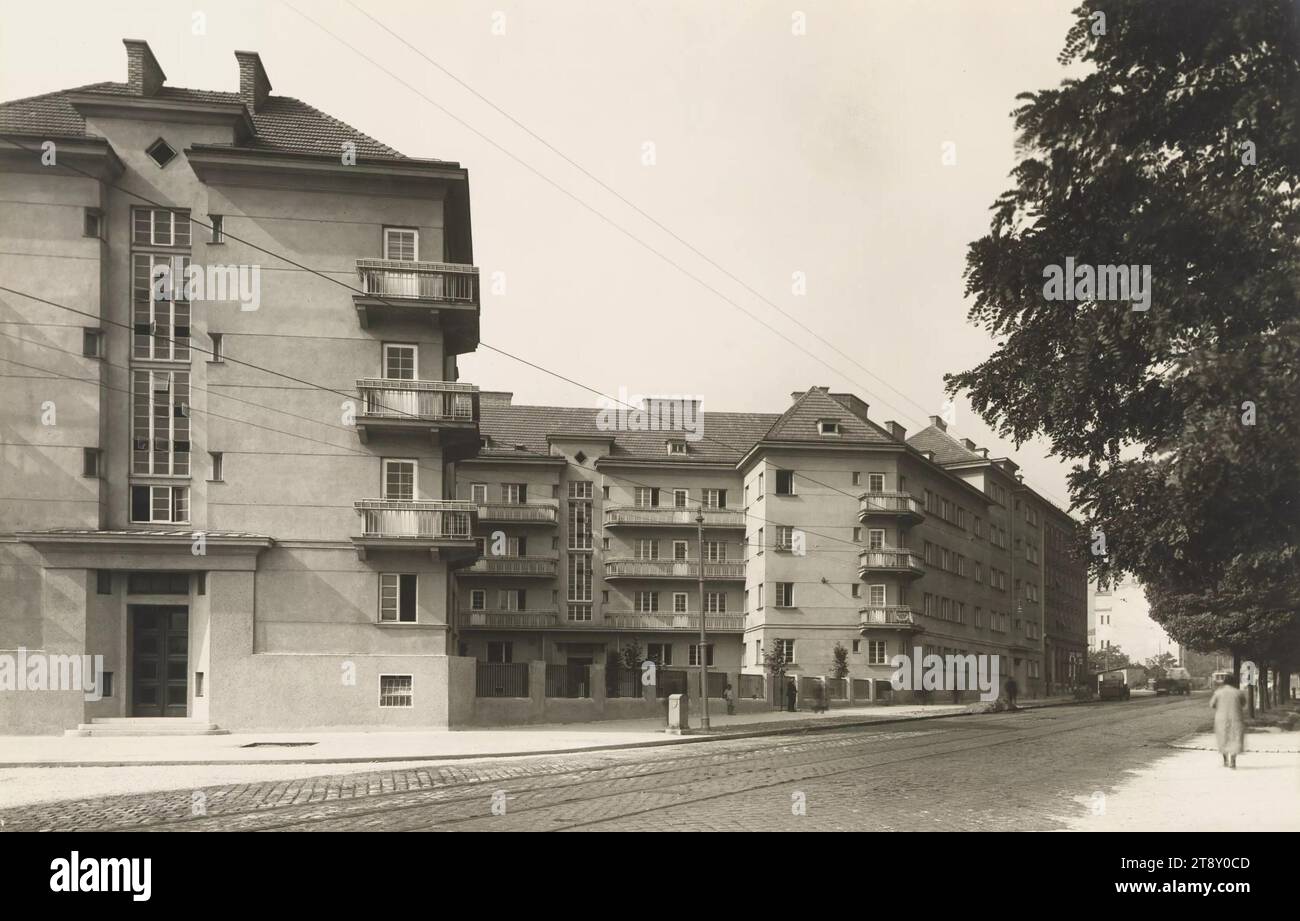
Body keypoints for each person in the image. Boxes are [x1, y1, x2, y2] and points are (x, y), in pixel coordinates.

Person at [1211, 673, 1246, 769]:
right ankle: (1233, 761)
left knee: (1223, 738)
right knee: (1235, 738)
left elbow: (1212, 704)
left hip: (1221, 719)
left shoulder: (1218, 692)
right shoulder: (1238, 692)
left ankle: (1225, 760)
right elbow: (1243, 704)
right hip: (1236, 718)